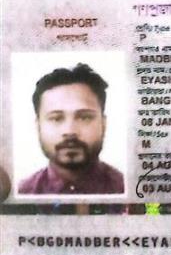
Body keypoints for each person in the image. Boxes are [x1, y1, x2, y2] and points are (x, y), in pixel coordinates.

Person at [18, 63, 124, 195]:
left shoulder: (128, 190)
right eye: (56, 118)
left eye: (84, 117)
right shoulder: (21, 194)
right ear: (38, 126)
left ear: (103, 124)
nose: (70, 131)